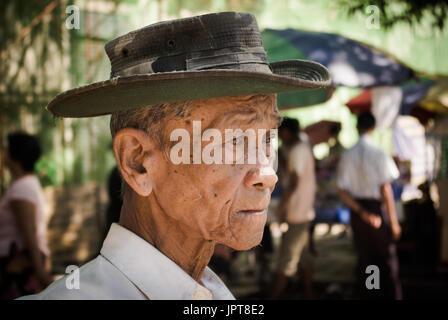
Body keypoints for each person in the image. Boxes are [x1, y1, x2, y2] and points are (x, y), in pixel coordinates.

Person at [19, 12, 329, 300]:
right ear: (138, 161)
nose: (269, 172)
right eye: (235, 138)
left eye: (267, 138)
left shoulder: (215, 294)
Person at [337, 111, 403, 300]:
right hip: (374, 209)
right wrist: (394, 221)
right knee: (386, 260)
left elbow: (342, 191)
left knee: (367, 259)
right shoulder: (379, 153)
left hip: (358, 211)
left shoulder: (348, 155)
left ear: (357, 128)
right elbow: (386, 190)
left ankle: (370, 294)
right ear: (373, 129)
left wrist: (361, 213)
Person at [0, 132, 51, 299]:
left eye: (7, 149)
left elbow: (29, 232)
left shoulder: (22, 189)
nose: (4, 153)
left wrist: (40, 271)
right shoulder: (28, 184)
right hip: (22, 265)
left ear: (15, 155)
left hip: (19, 267)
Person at [269, 118, 316, 299]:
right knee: (304, 258)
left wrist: (283, 205)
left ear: (287, 132)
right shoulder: (303, 147)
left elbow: (294, 181)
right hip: (303, 210)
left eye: (281, 133)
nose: (280, 137)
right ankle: (308, 293)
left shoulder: (298, 149)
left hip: (298, 211)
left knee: (287, 259)